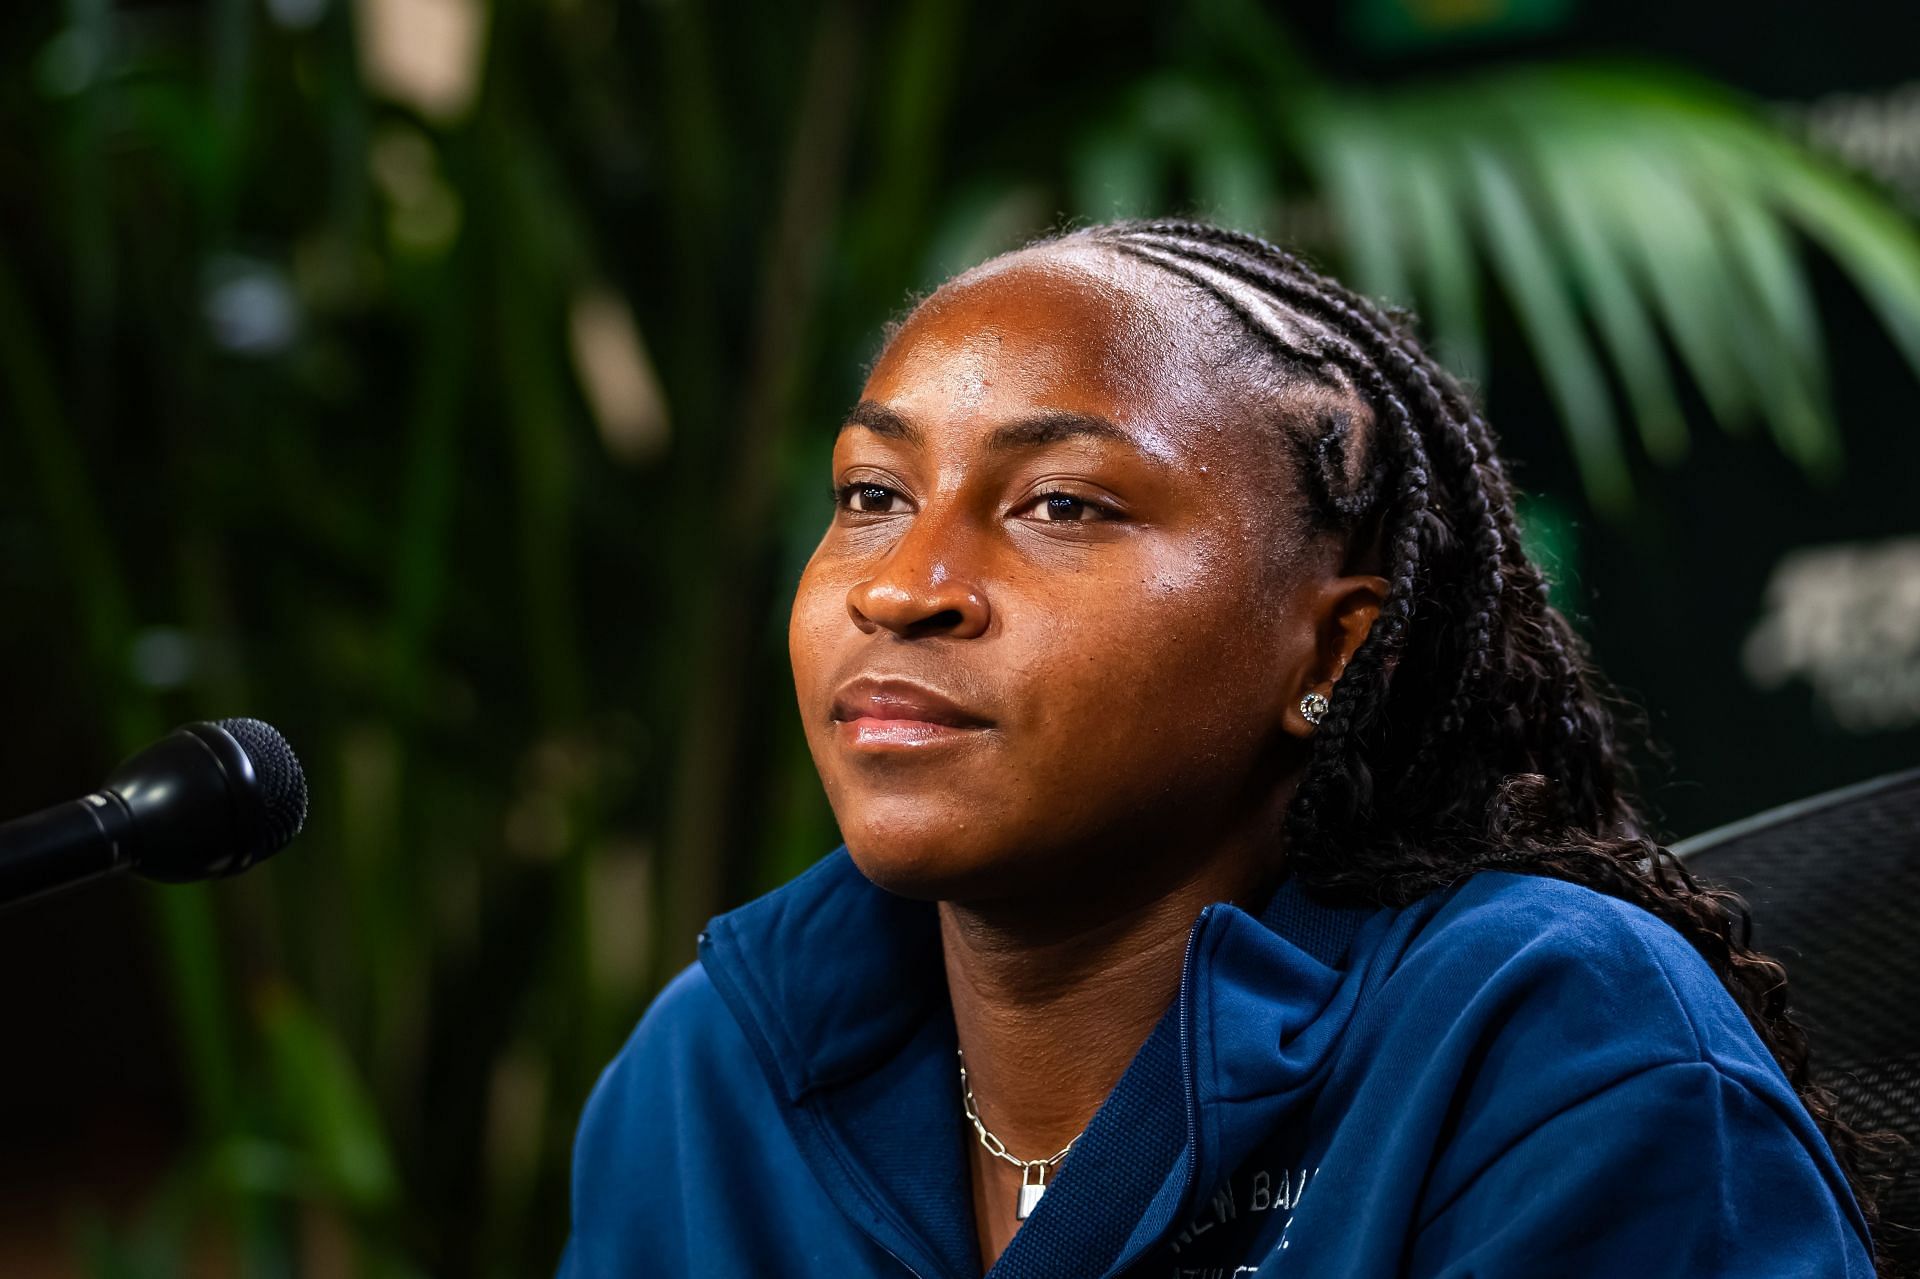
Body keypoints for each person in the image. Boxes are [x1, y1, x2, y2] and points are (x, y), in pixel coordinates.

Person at [558, 220, 1885, 1277]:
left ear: (1331, 651)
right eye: (871, 495)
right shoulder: (716, 1069)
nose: (903, 587)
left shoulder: (1545, 1038)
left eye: (1061, 502)